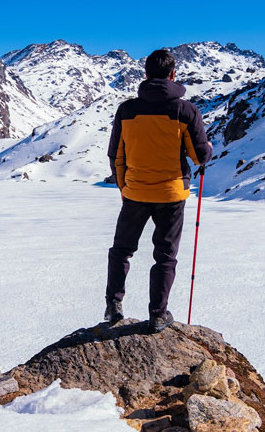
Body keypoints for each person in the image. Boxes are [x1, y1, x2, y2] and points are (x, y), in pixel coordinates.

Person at [105, 48, 213, 332]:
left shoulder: (127, 110)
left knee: (121, 250)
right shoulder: (185, 110)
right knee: (165, 256)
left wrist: (124, 187)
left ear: (146, 74)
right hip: (171, 194)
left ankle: (113, 305)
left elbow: (116, 154)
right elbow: (199, 156)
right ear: (173, 74)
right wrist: (209, 149)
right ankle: (157, 314)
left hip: (135, 192)